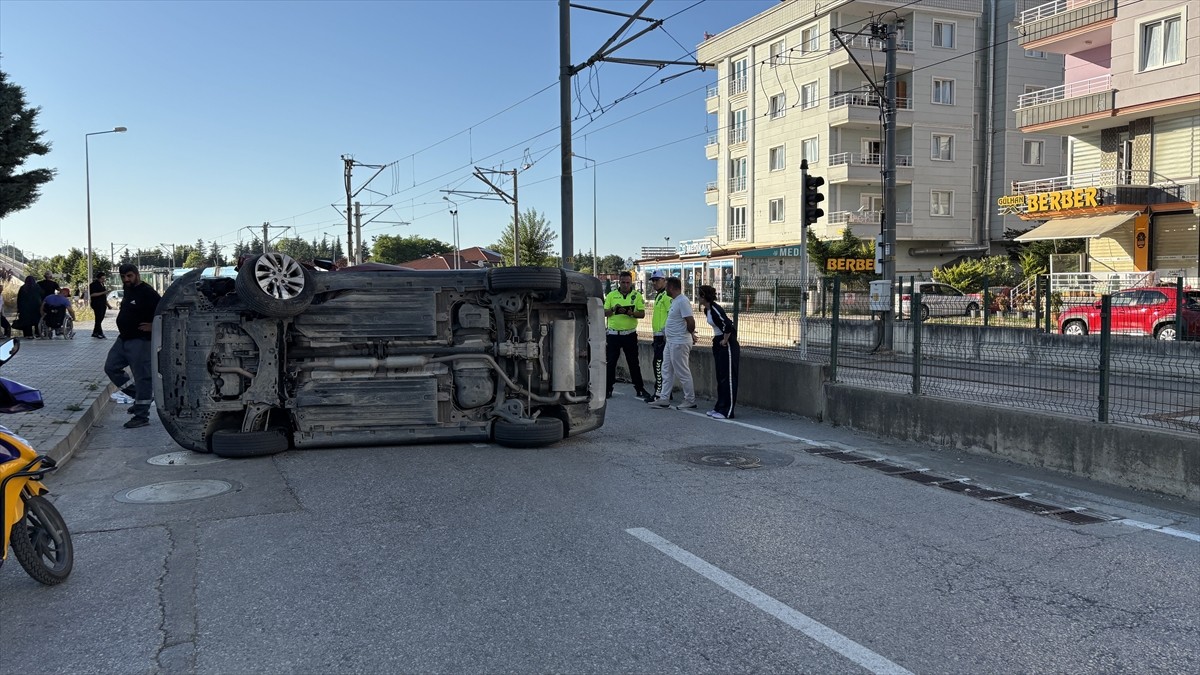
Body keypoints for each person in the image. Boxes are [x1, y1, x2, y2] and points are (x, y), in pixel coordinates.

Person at [104, 264, 161, 429]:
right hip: (123, 339)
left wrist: (153, 326)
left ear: (137, 275)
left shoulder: (147, 292)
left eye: (129, 276)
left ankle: (141, 415)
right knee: (111, 367)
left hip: (141, 341)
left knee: (143, 377)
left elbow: (166, 311)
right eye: (123, 276)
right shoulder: (128, 290)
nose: (126, 279)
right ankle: (139, 397)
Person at [603, 270, 653, 400]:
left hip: (629, 334)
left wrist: (631, 313)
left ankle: (639, 388)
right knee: (610, 363)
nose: (625, 285)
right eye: (623, 282)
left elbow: (641, 314)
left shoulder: (636, 296)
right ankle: (608, 389)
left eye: (628, 282)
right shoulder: (611, 295)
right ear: (619, 282)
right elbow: (604, 312)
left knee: (633, 363)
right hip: (613, 335)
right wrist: (613, 310)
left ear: (631, 282)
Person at [648, 277, 697, 410]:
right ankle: (664, 398)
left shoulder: (682, 301)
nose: (666, 288)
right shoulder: (675, 301)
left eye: (667, 286)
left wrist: (689, 333)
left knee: (682, 371)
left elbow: (690, 321)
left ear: (671, 287)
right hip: (671, 342)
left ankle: (690, 399)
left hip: (679, 342)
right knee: (666, 369)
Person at [697, 285, 739, 419]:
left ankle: (727, 411)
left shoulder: (715, 309)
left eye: (699, 295)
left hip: (727, 343)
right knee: (721, 377)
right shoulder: (707, 310)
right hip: (718, 341)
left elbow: (728, 325)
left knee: (728, 377)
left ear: (704, 296)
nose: (698, 298)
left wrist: (725, 340)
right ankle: (720, 407)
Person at [648, 271, 671, 401]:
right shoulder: (659, 296)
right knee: (661, 364)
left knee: (658, 364)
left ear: (664, 280)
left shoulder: (666, 297)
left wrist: (665, 332)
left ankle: (659, 393)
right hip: (657, 335)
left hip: (662, 336)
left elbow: (671, 315)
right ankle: (665, 392)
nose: (654, 283)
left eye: (657, 280)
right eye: (653, 280)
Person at [89, 270, 109, 338]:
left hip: (103, 304)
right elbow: (92, 294)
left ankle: (95, 332)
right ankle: (100, 332)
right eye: (102, 279)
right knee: (98, 318)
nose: (103, 280)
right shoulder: (93, 285)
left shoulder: (102, 284)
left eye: (104, 279)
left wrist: (108, 304)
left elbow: (104, 296)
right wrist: (103, 292)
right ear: (98, 278)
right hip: (97, 304)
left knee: (100, 318)